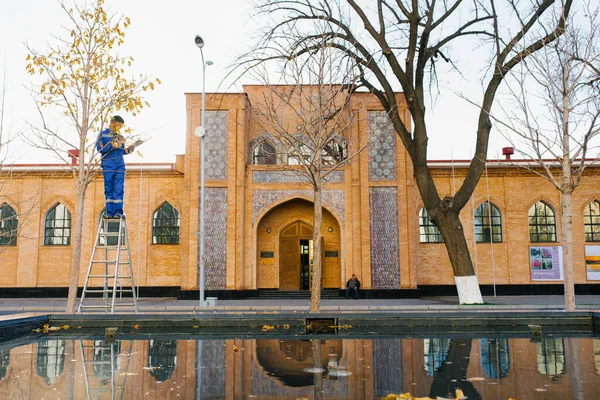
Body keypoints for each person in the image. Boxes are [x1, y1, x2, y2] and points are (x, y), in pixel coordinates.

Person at [96, 116, 143, 218]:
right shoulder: (103, 134)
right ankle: (110, 212)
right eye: (118, 124)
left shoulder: (120, 137)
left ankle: (118, 212)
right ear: (113, 122)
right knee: (109, 189)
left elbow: (123, 151)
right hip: (108, 165)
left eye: (121, 126)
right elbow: (99, 149)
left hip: (119, 166)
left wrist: (134, 146)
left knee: (119, 189)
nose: (119, 127)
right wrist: (111, 146)